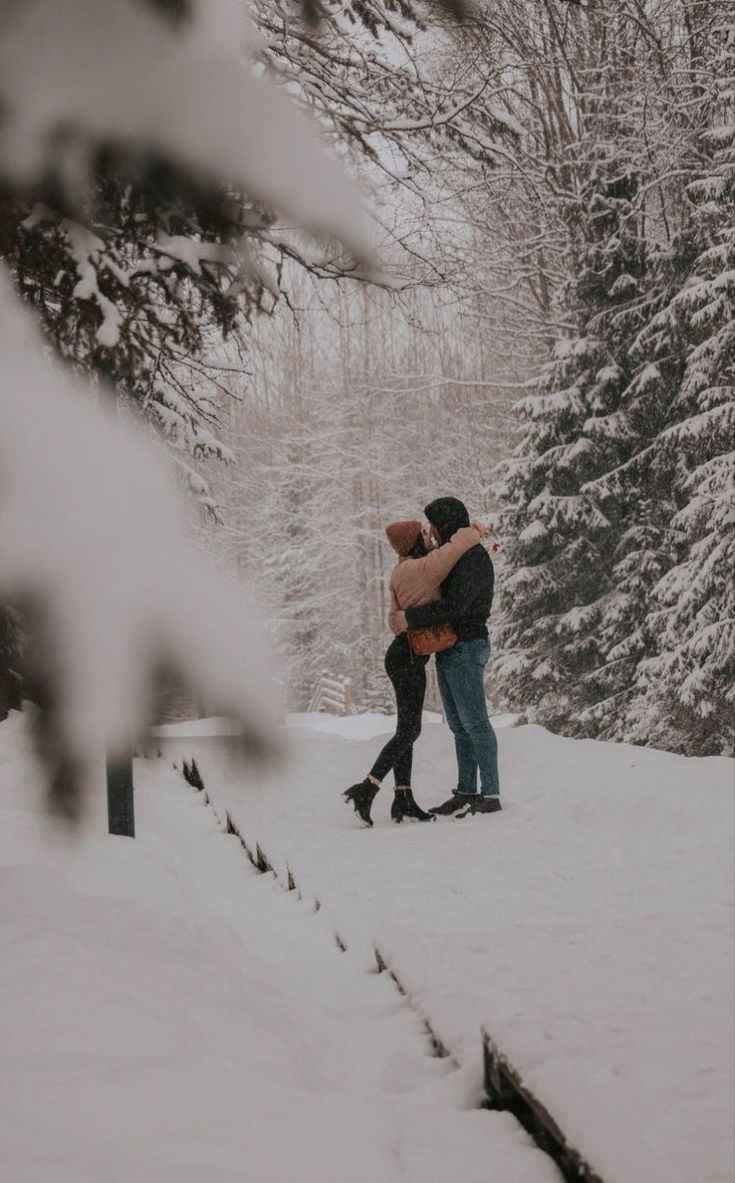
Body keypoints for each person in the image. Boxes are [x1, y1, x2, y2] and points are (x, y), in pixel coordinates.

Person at [342, 516, 487, 827]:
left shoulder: (403, 569)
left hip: (404, 655)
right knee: (411, 731)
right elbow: (452, 551)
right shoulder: (419, 569)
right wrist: (474, 531)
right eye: (422, 533)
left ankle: (403, 798)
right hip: (407, 659)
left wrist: (402, 619)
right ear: (412, 542)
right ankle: (367, 789)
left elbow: (394, 615)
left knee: (405, 729)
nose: (428, 535)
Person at [393, 496, 501, 818]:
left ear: (447, 522)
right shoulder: (456, 556)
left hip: (467, 646)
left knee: (475, 723)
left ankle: (491, 793)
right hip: (451, 647)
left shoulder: (473, 560)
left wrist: (410, 618)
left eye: (435, 525)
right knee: (458, 726)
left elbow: (456, 606)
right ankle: (466, 790)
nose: (432, 531)